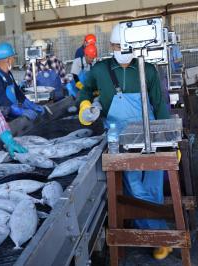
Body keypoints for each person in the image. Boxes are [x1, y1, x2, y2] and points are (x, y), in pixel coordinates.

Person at [78, 24, 172, 260]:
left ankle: (157, 234)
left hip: (150, 133)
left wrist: (168, 140)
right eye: (119, 46)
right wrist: (85, 106)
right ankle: (159, 236)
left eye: (128, 47)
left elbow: (160, 105)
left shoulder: (147, 69)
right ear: (111, 46)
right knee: (134, 188)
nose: (123, 51)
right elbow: (85, 89)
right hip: (119, 138)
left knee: (153, 185)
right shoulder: (101, 69)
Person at [0, 42, 45, 121]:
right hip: (2, 120)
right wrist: (21, 111)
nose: (14, 60)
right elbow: (3, 101)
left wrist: (31, 105)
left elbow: (18, 93)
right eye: (13, 58)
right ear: (8, 60)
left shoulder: (8, 74)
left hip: (12, 116)